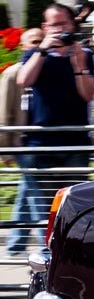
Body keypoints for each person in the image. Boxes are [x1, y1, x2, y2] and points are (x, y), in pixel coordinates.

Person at [15, 4, 94, 226]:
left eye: (64, 24)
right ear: (45, 27)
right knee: (46, 212)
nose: (59, 29)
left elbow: (88, 95)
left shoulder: (85, 55)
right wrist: (42, 50)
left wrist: (78, 65)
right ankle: (48, 256)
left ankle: (69, 255)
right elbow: (23, 81)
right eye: (54, 24)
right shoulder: (34, 54)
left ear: (72, 25)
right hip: (41, 142)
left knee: (74, 206)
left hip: (75, 141)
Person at [2, 27, 43, 257]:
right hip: (21, 142)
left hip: (37, 142)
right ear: (22, 46)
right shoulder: (12, 73)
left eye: (40, 41)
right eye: (33, 41)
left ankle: (15, 244)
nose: (37, 45)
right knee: (38, 197)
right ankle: (45, 245)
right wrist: (5, 149)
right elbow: (3, 111)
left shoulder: (45, 69)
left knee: (27, 192)